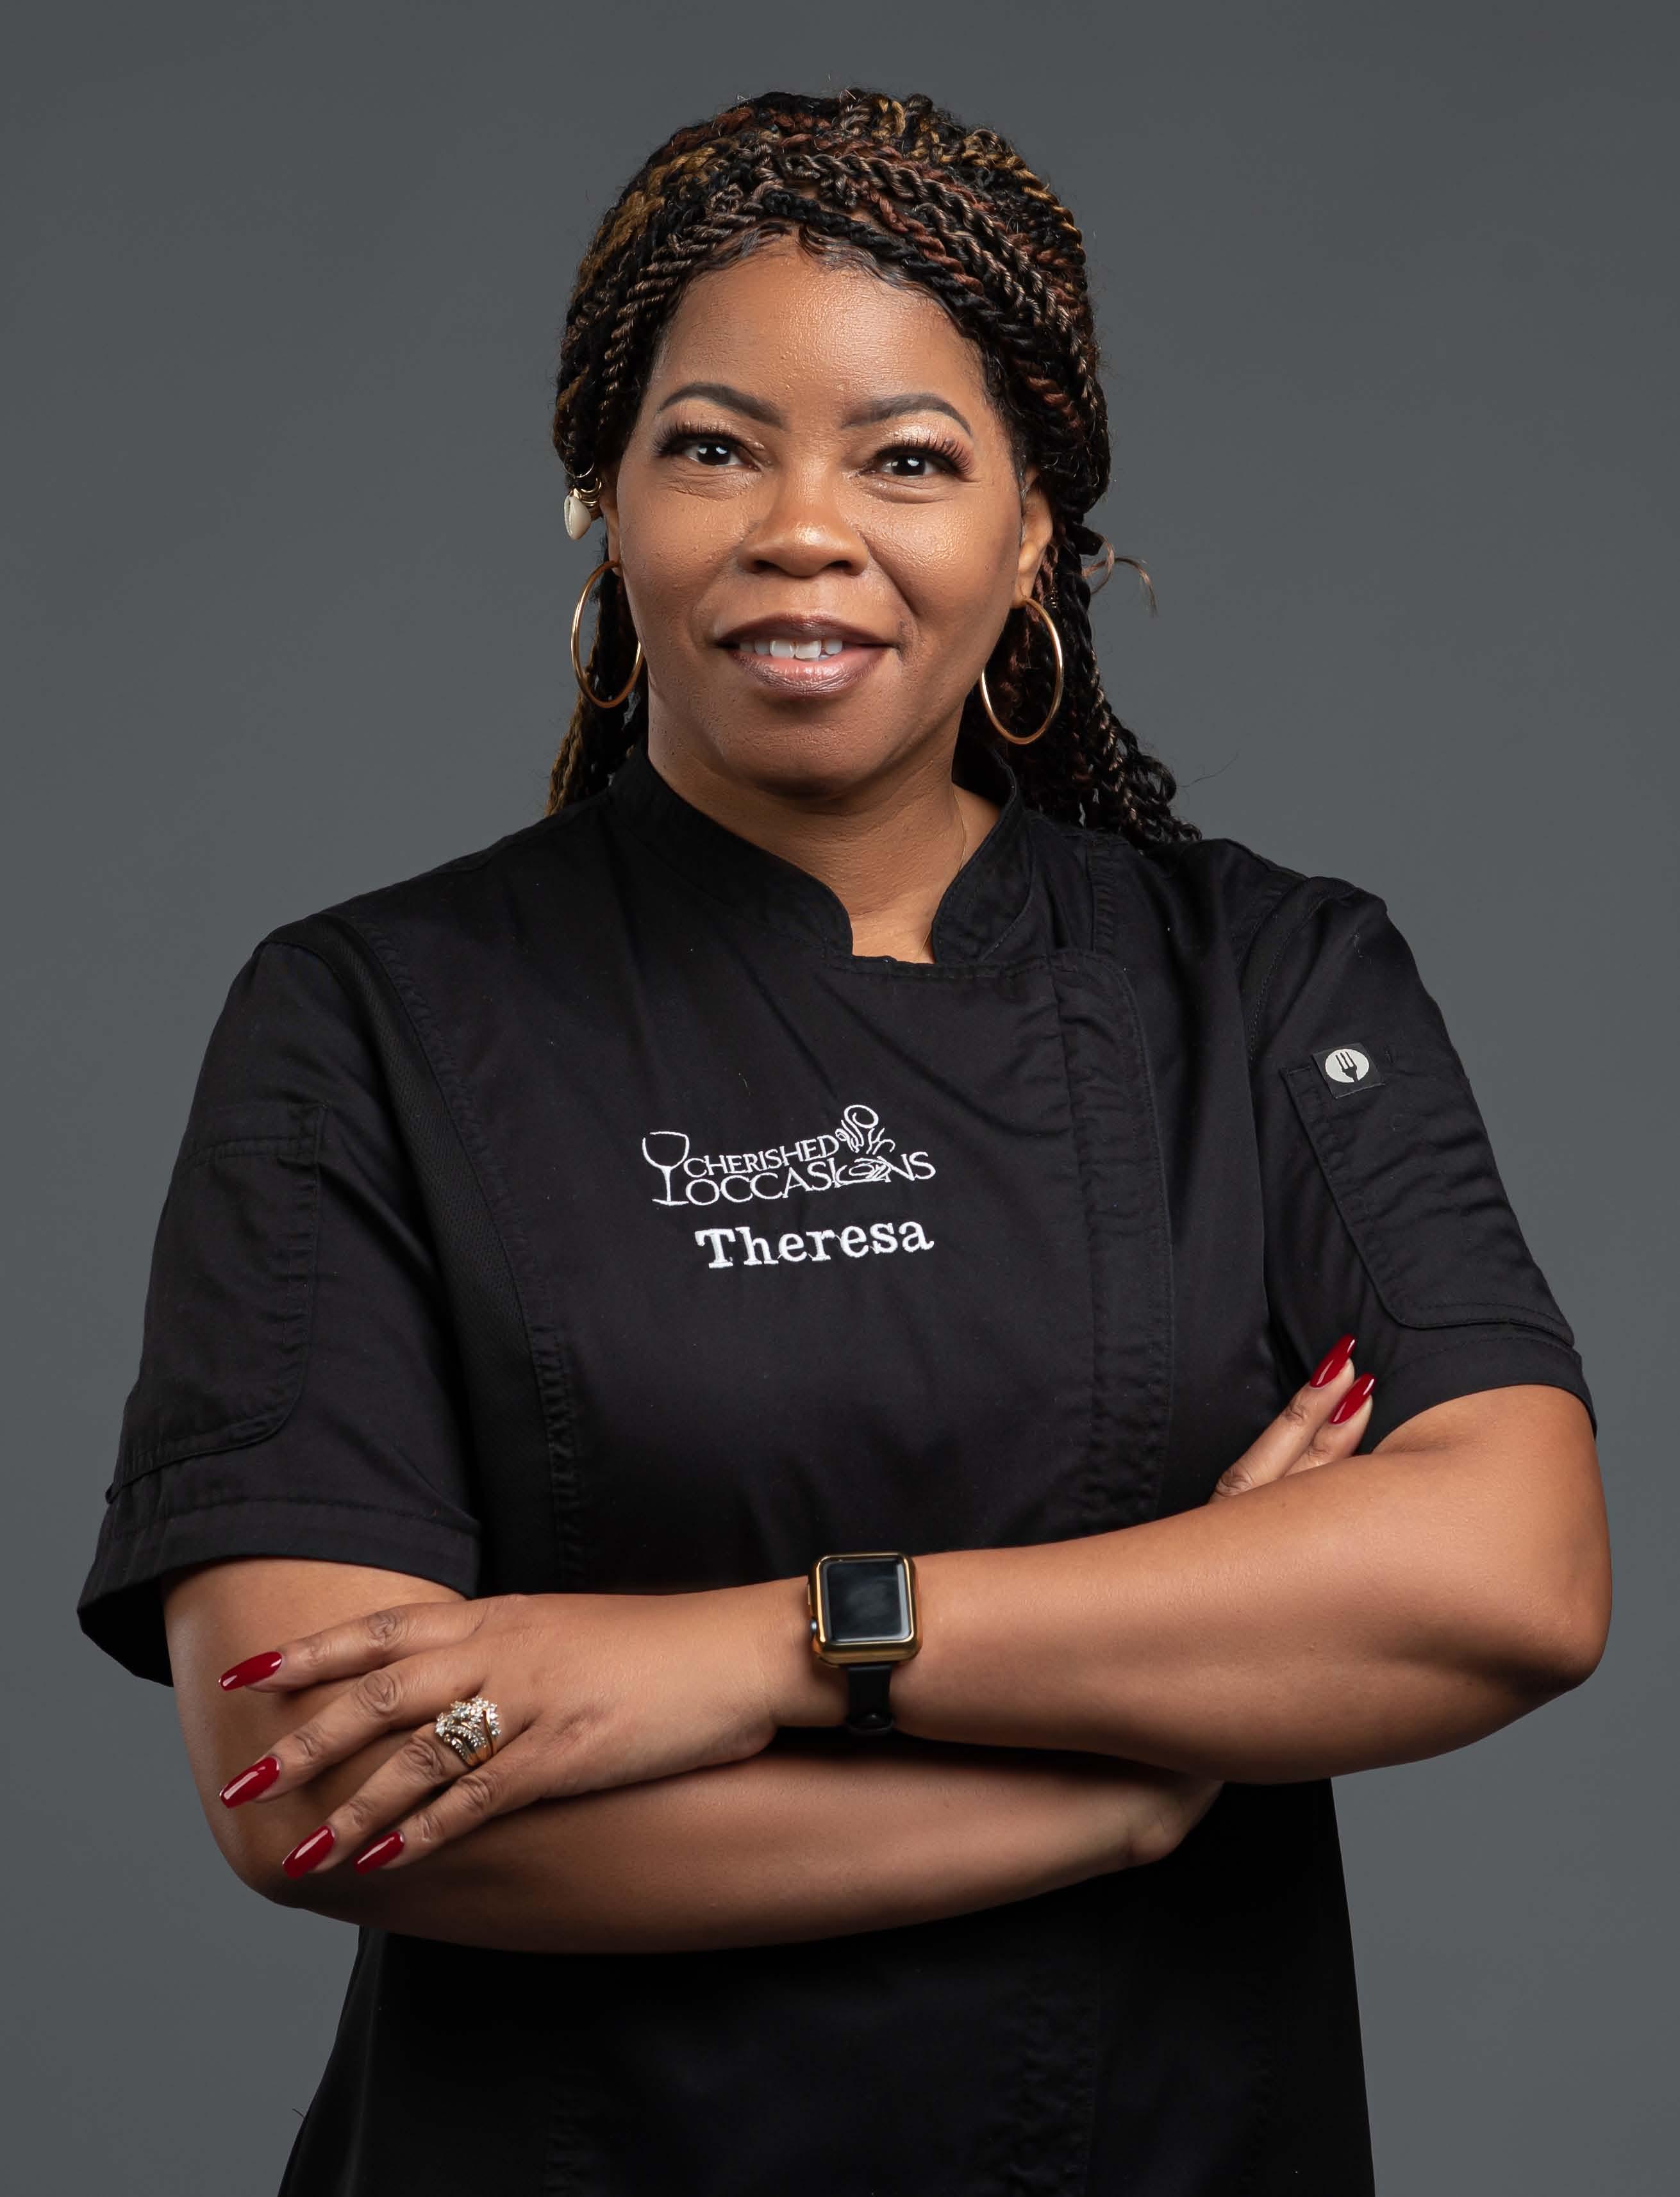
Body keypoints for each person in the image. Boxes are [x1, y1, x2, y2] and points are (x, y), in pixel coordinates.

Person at [77, 86, 1610, 2196]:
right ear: (607, 500)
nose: (805, 527)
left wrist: (754, 1648)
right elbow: (314, 1778)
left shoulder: (1264, 980)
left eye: (907, 458)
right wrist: (1114, 1788)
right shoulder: (367, 1019)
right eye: (715, 445)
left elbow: (1513, 1572)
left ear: (1032, 529)